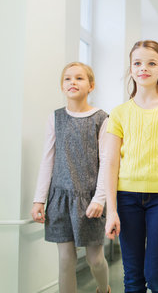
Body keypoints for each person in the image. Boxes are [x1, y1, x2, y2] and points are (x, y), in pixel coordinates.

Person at [104, 40, 158, 293]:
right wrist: (112, 211)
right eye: (138, 63)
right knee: (132, 278)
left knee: (155, 275)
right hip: (126, 198)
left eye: (151, 63)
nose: (144, 68)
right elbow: (110, 163)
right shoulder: (119, 113)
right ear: (131, 69)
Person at [31, 62, 110, 293]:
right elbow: (48, 160)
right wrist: (39, 200)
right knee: (66, 259)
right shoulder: (55, 118)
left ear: (91, 85)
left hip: (90, 199)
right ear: (62, 85)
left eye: (79, 78)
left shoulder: (101, 118)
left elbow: (107, 162)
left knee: (95, 260)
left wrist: (100, 199)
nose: (72, 82)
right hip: (59, 199)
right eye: (67, 78)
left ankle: (103, 288)